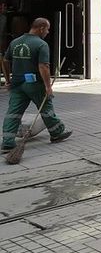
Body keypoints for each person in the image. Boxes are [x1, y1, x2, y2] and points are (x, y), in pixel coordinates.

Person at [1, 18, 71, 154]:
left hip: (17, 84)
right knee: (46, 108)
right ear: (41, 28)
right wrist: (48, 86)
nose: (48, 32)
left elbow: (5, 61)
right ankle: (56, 132)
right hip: (34, 84)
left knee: (13, 113)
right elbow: (43, 66)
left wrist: (8, 80)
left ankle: (8, 142)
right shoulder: (41, 44)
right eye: (47, 29)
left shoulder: (15, 42)